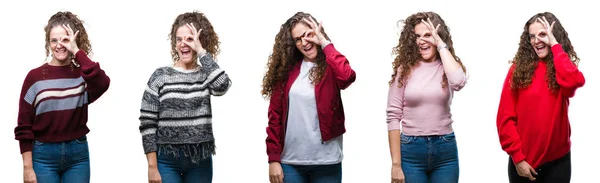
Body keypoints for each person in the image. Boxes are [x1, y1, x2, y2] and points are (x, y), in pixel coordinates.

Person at [14, 11, 111, 183]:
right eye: (54, 40)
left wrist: (77, 51)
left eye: (65, 39)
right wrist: (27, 167)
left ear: (73, 40)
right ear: (48, 43)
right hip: (43, 157)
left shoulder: (83, 74)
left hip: (77, 156)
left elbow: (103, 83)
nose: (59, 45)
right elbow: (23, 126)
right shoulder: (34, 78)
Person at [262, 12, 356, 183]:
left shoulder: (331, 65)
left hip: (327, 160)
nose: (304, 42)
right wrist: (273, 158)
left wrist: (325, 43)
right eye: (298, 39)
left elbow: (347, 76)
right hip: (290, 162)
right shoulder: (285, 70)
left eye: (308, 35)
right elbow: (274, 116)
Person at [138, 11, 231, 183]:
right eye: (179, 39)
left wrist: (202, 52)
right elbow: (147, 122)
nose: (183, 44)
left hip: (200, 159)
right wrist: (152, 166)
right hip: (166, 160)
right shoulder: (160, 76)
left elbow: (222, 85)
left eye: (189, 39)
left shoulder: (206, 74)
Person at [497, 12, 585, 183]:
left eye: (542, 34)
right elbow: (505, 117)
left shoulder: (561, 68)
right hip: (524, 163)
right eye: (532, 36)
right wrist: (517, 157)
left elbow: (575, 82)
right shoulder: (517, 70)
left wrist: (555, 45)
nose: (536, 40)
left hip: (558, 161)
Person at [386, 11, 468, 183]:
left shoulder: (448, 65)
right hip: (411, 151)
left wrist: (441, 46)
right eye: (417, 36)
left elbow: (458, 82)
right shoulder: (404, 69)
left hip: (445, 150)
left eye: (428, 35)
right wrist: (395, 165)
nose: (421, 41)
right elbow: (393, 115)